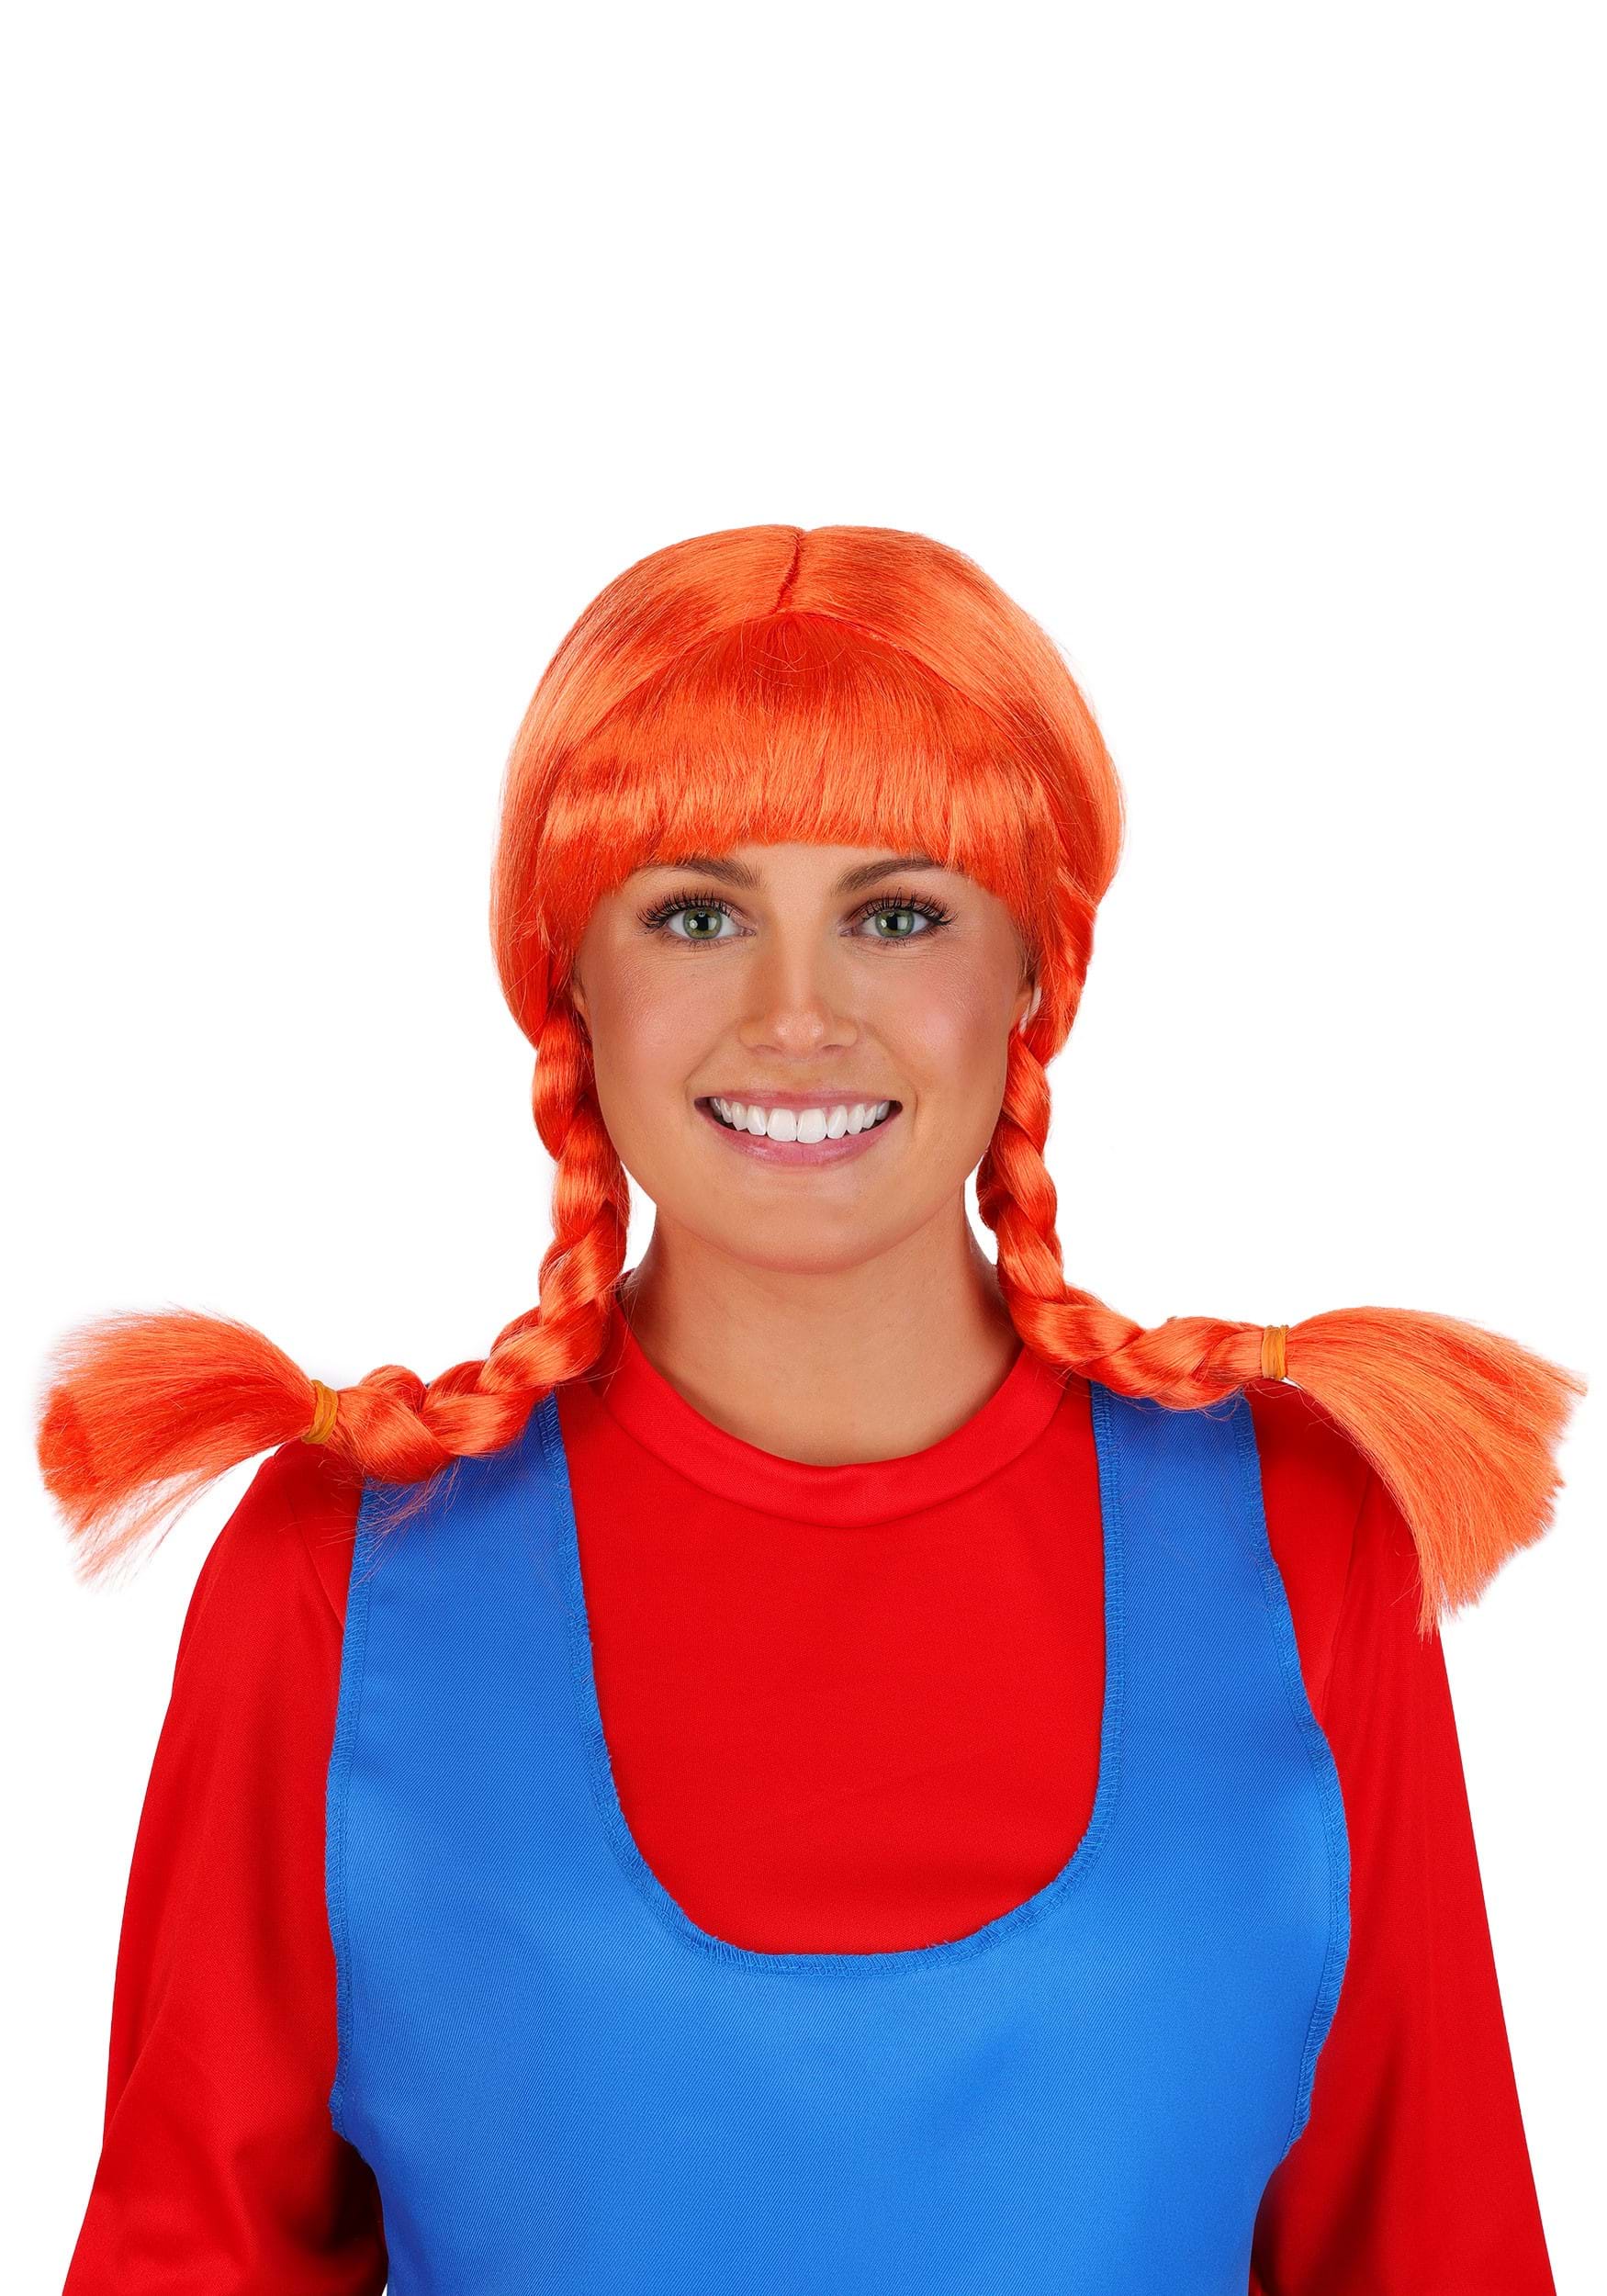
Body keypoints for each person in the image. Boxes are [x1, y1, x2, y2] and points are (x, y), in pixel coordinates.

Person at [39, 524, 1582, 2292]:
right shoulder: (341, 1573)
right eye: (696, 915)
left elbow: (1437, 2236)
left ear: (1034, 971)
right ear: (567, 975)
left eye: (895, 914)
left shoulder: (1304, 1533)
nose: (795, 1017)